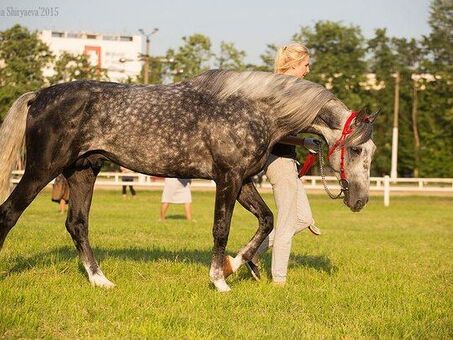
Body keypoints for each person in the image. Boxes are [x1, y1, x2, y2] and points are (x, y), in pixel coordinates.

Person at [245, 42, 321, 286]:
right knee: (287, 222)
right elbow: (273, 133)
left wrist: (301, 141)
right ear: (295, 64)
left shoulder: (283, 88)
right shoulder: (282, 90)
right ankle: (279, 281)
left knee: (304, 218)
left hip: (286, 158)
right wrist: (303, 140)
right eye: (306, 65)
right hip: (278, 159)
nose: (307, 70)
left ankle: (252, 254)